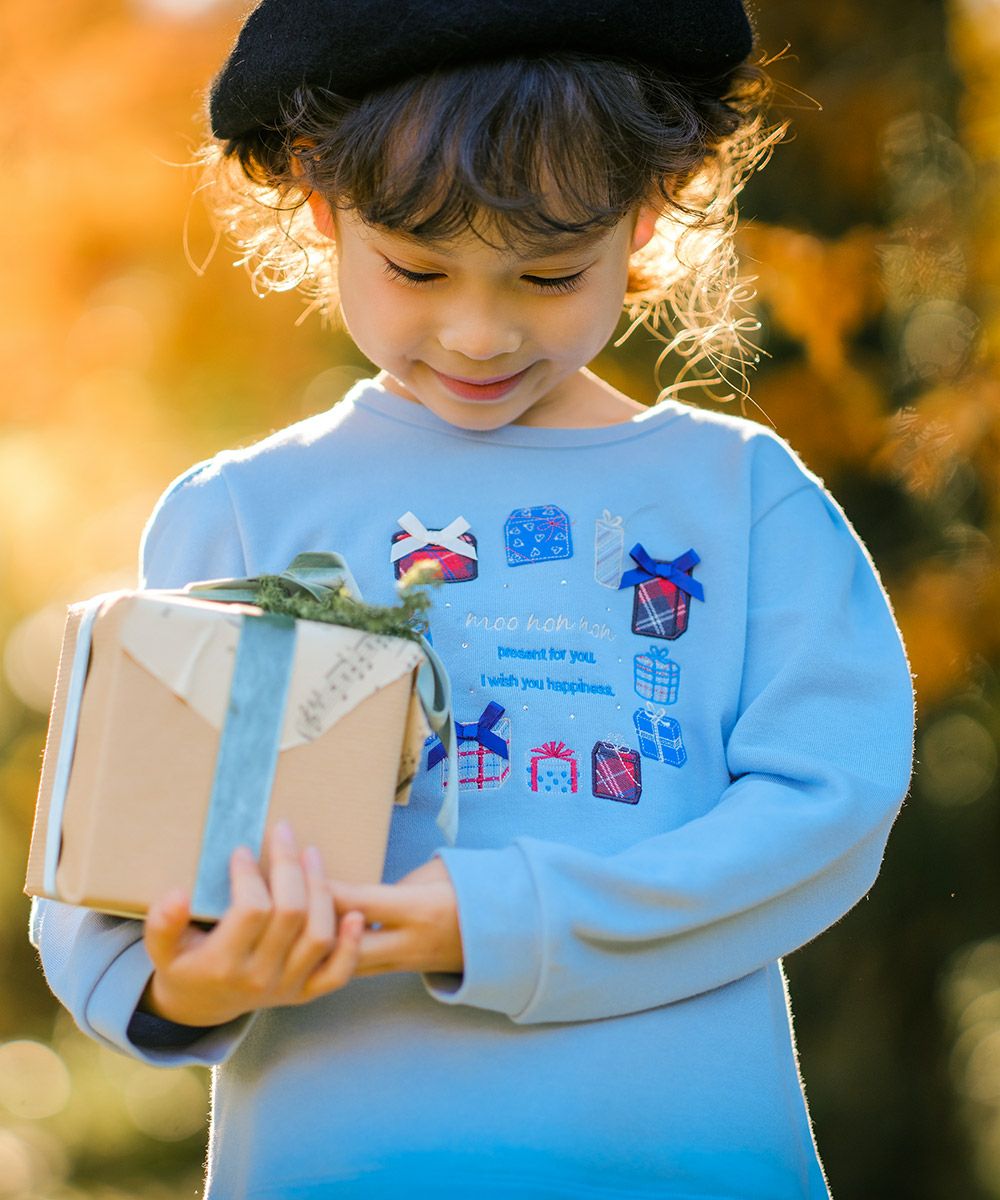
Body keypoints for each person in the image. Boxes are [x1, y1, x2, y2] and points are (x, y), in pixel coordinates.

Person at [29, 2, 915, 1197]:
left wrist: (499, 917)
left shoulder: (741, 502)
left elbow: (829, 802)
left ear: (646, 218)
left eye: (548, 274)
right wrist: (191, 981)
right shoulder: (245, 510)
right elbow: (104, 864)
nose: (479, 330)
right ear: (320, 203)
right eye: (417, 268)